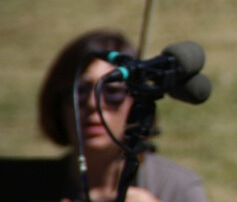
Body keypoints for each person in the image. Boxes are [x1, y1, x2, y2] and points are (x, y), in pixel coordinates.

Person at [1, 30, 209, 201]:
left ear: (137, 102)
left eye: (112, 91)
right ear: (57, 103)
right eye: (80, 91)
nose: (93, 104)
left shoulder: (177, 190)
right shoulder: (14, 185)